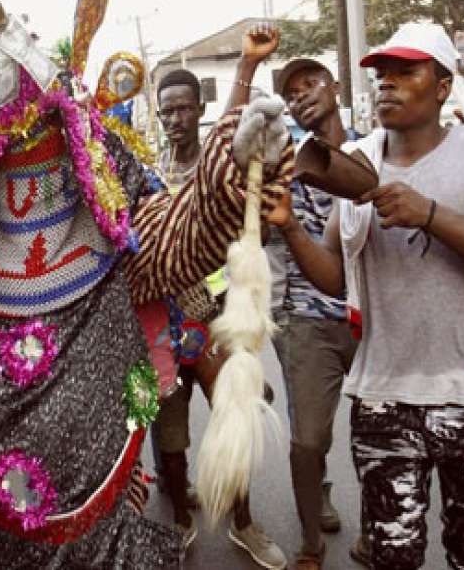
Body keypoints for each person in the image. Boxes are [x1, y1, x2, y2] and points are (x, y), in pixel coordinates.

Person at [275, 23, 464, 569]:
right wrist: (289, 227)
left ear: (443, 86)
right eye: (381, 75)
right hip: (382, 396)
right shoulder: (354, 160)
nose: (387, 85)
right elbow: (334, 278)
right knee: (392, 558)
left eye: (406, 72)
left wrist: (429, 214)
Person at [150, 52, 286, 569]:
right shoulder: (149, 172)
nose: (176, 119)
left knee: (234, 420)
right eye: (167, 110)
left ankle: (244, 524)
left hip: (218, 315)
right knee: (170, 430)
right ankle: (182, 521)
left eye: (184, 108)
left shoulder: (222, 165)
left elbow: (254, 231)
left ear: (201, 108)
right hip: (164, 320)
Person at [262, 56, 361, 570]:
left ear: (336, 87)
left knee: (377, 439)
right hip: (304, 315)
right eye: (292, 92)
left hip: (370, 315)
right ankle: (310, 544)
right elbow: (257, 234)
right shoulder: (282, 160)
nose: (302, 96)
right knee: (308, 439)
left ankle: (379, 527)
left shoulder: (373, 150)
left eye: (311, 84)